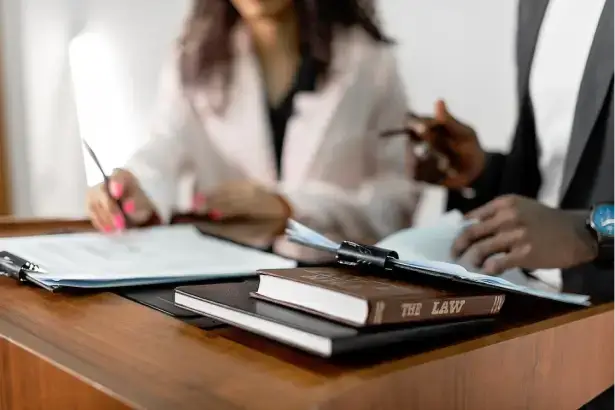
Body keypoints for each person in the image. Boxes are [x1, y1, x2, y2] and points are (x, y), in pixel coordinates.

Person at [406, 1, 615, 406]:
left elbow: (571, 221)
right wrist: (482, 172)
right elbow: (555, 182)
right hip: (536, 327)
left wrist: (592, 231)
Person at [86, 0, 420, 249]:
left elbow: (397, 205)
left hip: (335, 281)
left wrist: (292, 209)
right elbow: (167, 145)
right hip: (222, 281)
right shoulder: (191, 58)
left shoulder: (371, 64)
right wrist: (138, 187)